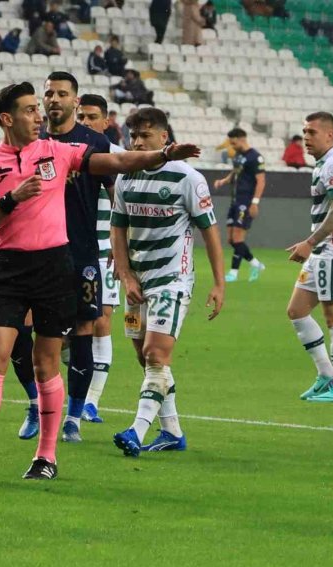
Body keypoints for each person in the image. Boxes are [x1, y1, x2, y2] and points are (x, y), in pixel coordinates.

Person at [0, 82, 200, 481]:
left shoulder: (58, 151)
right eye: (29, 110)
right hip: (9, 268)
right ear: (7, 119)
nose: (39, 116)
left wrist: (162, 155)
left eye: (39, 108)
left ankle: (46, 457)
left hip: (55, 268)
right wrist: (11, 200)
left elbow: (117, 163)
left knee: (46, 363)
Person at [110, 107, 224, 456]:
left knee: (155, 353)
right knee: (144, 358)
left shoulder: (188, 177)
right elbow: (118, 226)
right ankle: (172, 431)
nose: (138, 142)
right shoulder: (126, 176)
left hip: (171, 280)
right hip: (135, 285)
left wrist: (219, 283)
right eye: (134, 137)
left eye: (146, 135)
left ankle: (136, 431)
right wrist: (125, 273)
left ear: (164, 137)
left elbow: (210, 231)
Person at [16, 73, 117, 444]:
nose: (54, 99)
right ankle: (33, 403)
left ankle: (73, 417)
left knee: (83, 332)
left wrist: (119, 247)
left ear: (76, 101)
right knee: (21, 330)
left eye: (62, 93)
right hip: (37, 253)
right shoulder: (32, 141)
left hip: (82, 253)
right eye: (49, 94)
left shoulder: (95, 142)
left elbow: (116, 191)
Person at [285, 112, 333, 404]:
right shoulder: (323, 165)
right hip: (320, 252)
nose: (306, 137)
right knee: (297, 311)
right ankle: (325, 375)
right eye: (304, 131)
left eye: (312, 132)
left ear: (330, 135)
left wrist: (310, 241)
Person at [76, 93, 124, 423]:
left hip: (105, 253)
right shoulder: (67, 153)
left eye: (93, 117)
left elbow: (125, 207)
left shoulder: (117, 158)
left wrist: (124, 253)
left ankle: (91, 400)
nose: (86, 122)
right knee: (67, 329)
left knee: (101, 320)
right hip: (68, 250)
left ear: (106, 121)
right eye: (81, 116)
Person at [213, 128, 267, 282]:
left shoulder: (255, 157)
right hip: (235, 201)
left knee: (237, 238)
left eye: (233, 142)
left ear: (242, 139)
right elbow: (236, 172)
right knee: (231, 240)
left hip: (246, 202)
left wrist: (255, 202)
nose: (232, 145)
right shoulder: (238, 156)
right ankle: (256, 264)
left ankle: (233, 273)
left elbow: (261, 181)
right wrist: (224, 180)